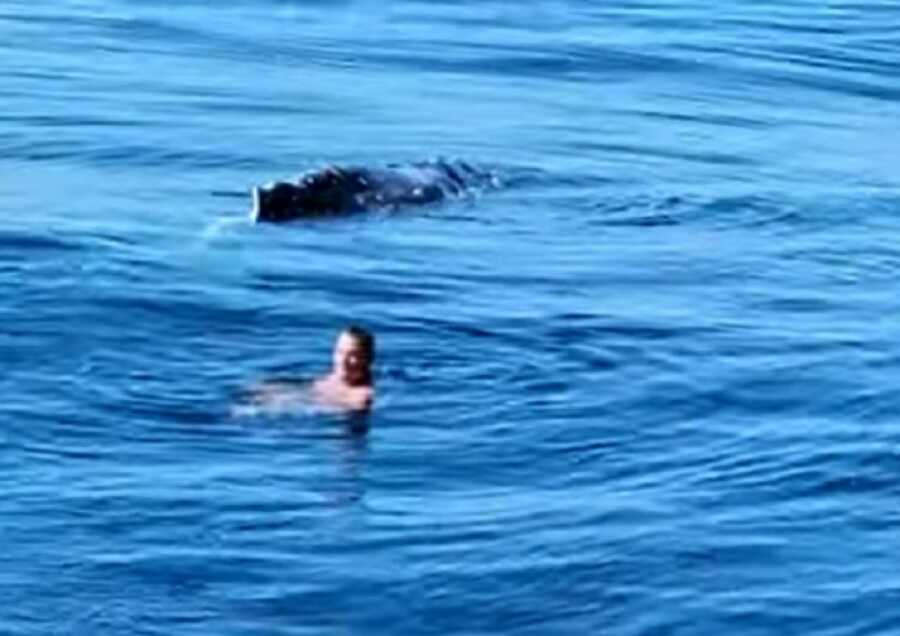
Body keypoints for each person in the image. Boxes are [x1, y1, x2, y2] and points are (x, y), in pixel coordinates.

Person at [312, 325, 376, 412]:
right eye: (340, 352)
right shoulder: (336, 377)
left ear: (368, 359)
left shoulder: (360, 399)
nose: (343, 360)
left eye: (353, 354)